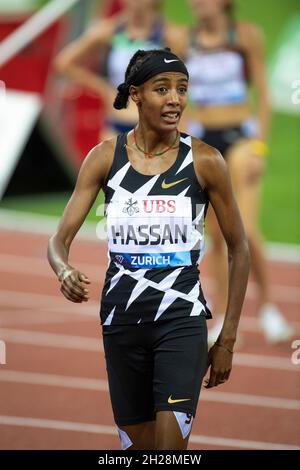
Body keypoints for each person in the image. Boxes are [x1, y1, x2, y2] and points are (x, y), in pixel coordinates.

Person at [47, 48, 250, 450]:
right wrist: (63, 269)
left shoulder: (206, 161)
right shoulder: (105, 157)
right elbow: (58, 241)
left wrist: (226, 338)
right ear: (136, 95)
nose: (175, 99)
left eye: (182, 89)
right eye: (163, 89)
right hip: (121, 323)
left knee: (169, 452)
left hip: (181, 319)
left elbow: (238, 248)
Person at [183, 0, 294, 344]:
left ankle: (269, 309)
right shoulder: (185, 39)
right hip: (205, 142)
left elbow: (263, 93)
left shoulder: (245, 36)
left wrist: (259, 146)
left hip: (241, 138)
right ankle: (225, 319)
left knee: (244, 230)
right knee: (215, 235)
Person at [53, 0, 186, 140]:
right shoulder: (108, 30)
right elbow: (64, 63)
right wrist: (102, 88)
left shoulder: (171, 35)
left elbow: (186, 81)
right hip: (117, 125)